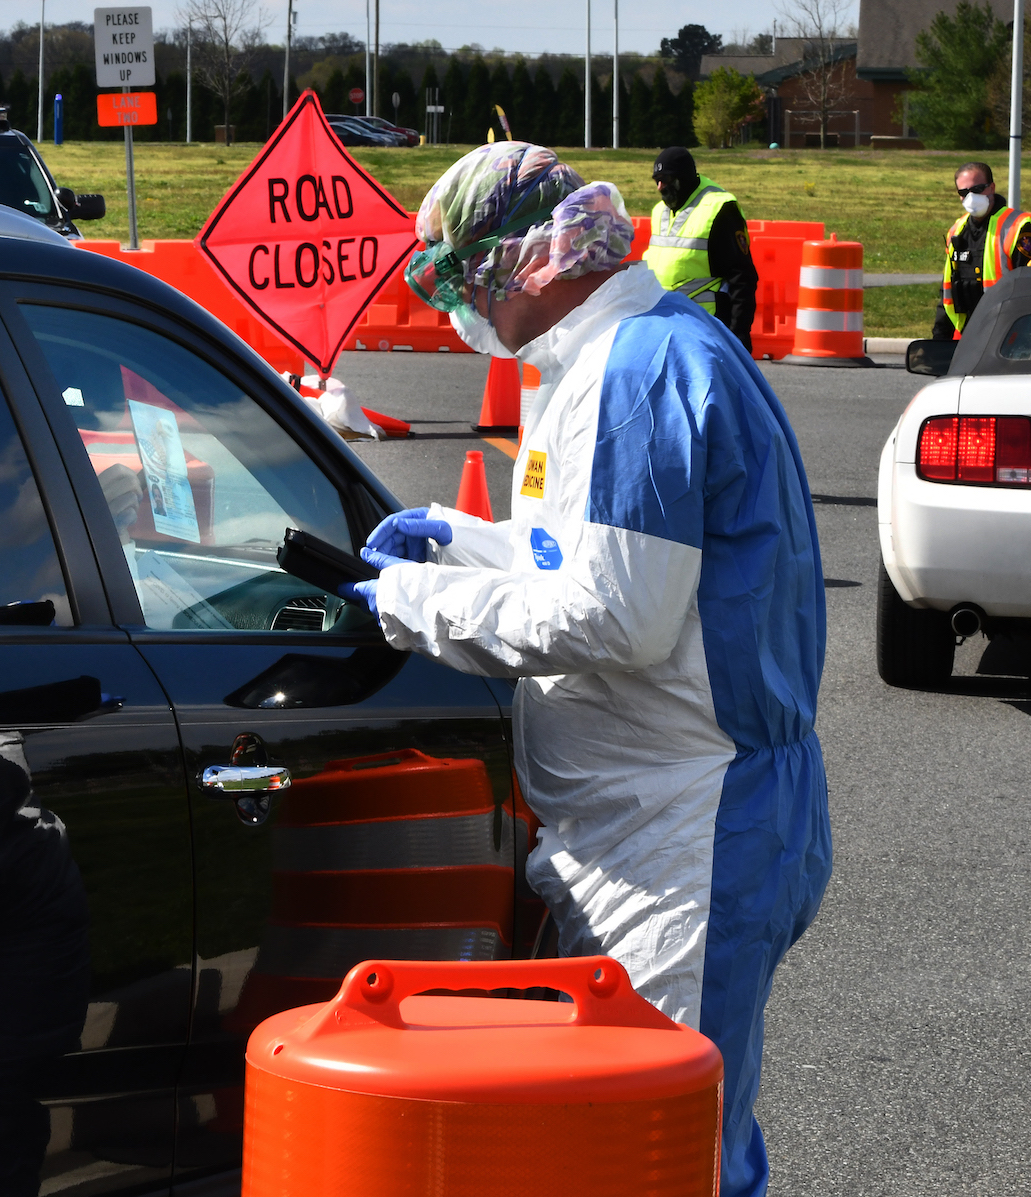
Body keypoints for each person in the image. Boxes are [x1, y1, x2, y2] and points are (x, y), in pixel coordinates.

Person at [369, 141, 831, 1197]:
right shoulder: (625, 355)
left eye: (460, 282)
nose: (458, 311)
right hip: (659, 821)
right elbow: (587, 562)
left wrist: (416, 605)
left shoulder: (636, 369)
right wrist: (457, 541)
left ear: (524, 261)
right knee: (658, 1137)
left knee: (663, 1157)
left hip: (685, 830)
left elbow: (612, 617)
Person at [643, 146, 760, 352]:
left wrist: (738, 336)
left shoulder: (719, 208)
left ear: (684, 178)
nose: (660, 187)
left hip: (707, 331)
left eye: (666, 179)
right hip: (664, 329)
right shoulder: (659, 211)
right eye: (657, 181)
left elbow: (742, 278)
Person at [933, 160, 1031, 341]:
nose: (970, 197)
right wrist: (938, 341)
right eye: (963, 192)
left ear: (991, 187)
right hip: (968, 334)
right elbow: (947, 291)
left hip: (1008, 335)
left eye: (977, 189)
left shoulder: (1019, 227)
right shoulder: (957, 231)